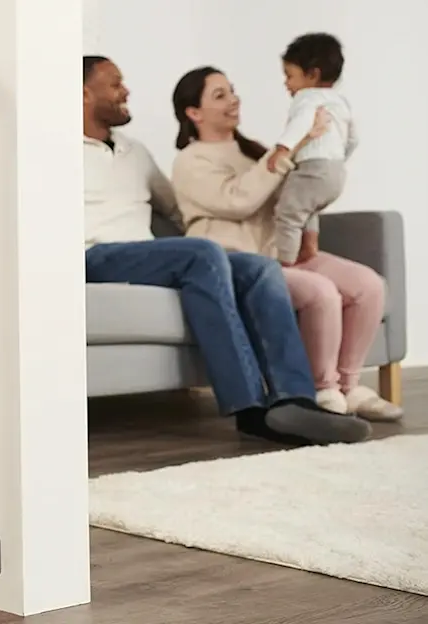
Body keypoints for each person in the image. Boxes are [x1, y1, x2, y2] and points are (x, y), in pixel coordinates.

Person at [83, 55, 371, 445]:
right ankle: (250, 408)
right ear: (83, 94)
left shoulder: (133, 152)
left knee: (257, 268)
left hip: (145, 254)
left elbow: (178, 209)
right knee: (202, 253)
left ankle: (294, 401)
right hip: (93, 256)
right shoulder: (55, 154)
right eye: (115, 85)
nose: (126, 91)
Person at [169, 65, 402, 422]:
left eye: (232, 90)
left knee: (368, 285)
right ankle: (322, 389)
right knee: (320, 291)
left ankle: (349, 386)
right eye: (220, 95)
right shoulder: (190, 161)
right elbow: (238, 200)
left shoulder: (257, 152)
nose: (234, 99)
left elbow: (300, 198)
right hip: (240, 262)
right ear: (193, 113)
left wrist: (311, 233)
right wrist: (289, 149)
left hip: (282, 253)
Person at [265, 33, 358, 265]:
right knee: (308, 207)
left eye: (290, 76)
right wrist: (338, 158)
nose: (286, 83)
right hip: (336, 173)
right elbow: (354, 138)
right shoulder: (340, 101)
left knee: (287, 214)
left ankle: (284, 263)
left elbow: (302, 122)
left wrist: (282, 149)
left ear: (312, 75)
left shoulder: (307, 97)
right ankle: (310, 246)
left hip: (314, 167)